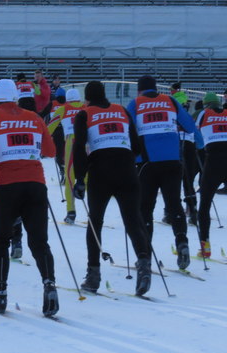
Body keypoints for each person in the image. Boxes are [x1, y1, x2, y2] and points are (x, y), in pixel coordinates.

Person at [0, 79, 59, 318]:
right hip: (36, 184)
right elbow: (50, 151)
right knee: (39, 242)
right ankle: (49, 285)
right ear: (15, 96)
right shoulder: (34, 118)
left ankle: (0, 294)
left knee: (1, 240)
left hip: (7, 186)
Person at [71, 81, 152, 295]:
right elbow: (136, 145)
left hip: (101, 172)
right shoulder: (122, 110)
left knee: (95, 222)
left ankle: (93, 275)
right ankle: (144, 264)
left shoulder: (84, 114)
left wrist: (79, 178)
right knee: (133, 220)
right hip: (127, 169)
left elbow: (79, 146)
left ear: (87, 98)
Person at [126, 75, 197, 270]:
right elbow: (190, 126)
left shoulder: (136, 103)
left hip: (147, 163)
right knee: (174, 204)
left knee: (145, 208)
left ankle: (146, 255)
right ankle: (182, 242)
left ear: (140, 90)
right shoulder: (171, 101)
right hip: (173, 161)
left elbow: (126, 128)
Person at [194, 92, 227, 259]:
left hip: (213, 161)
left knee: (205, 205)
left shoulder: (203, 114)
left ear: (206, 105)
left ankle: (205, 247)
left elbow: (195, 132)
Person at [47, 88, 84, 224]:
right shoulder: (86, 107)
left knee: (69, 178)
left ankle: (71, 212)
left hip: (71, 144)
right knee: (90, 178)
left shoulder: (63, 109)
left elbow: (49, 129)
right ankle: (95, 212)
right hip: (87, 144)